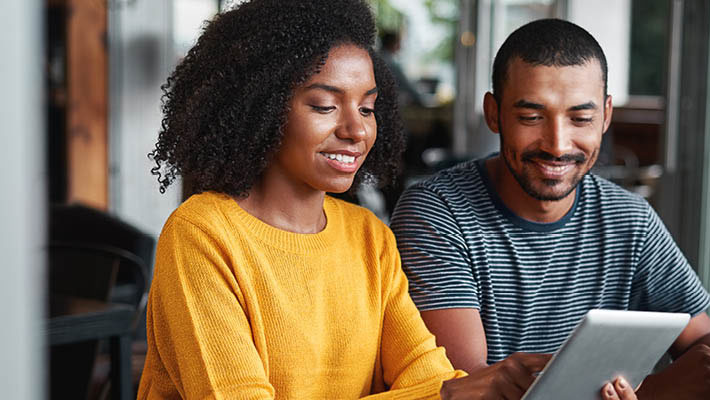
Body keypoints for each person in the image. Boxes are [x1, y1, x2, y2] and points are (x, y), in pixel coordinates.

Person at [137, 1, 635, 399]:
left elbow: (425, 372)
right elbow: (436, 393)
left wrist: (480, 386)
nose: (356, 129)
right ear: (261, 107)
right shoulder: (203, 233)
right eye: (326, 105)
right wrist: (448, 395)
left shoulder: (367, 236)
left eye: (369, 107)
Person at [390, 18, 710, 400]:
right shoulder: (436, 214)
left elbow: (702, 336)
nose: (558, 144)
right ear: (494, 113)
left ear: (606, 116)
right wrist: (655, 393)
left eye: (581, 118)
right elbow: (471, 387)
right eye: (531, 117)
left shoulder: (629, 218)